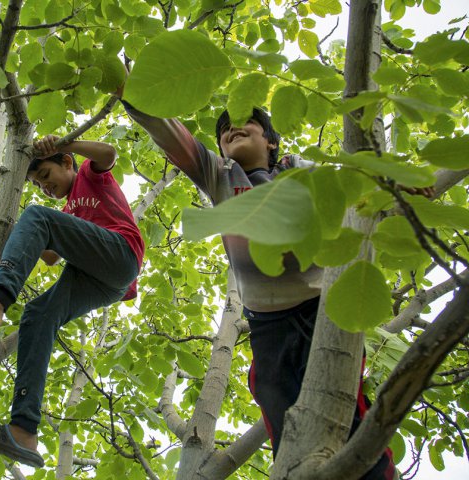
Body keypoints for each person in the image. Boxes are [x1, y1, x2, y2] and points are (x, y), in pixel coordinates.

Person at [119, 100, 397, 479]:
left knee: (344, 410)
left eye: (246, 123)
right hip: (268, 324)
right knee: (273, 396)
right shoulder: (221, 176)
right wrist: (133, 96)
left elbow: (352, 188)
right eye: (224, 130)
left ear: (271, 142)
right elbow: (172, 135)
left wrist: (397, 187)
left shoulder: (298, 170)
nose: (232, 128)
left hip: (322, 308)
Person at [0, 135, 144, 468]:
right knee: (38, 315)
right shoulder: (65, 211)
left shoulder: (89, 177)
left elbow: (109, 152)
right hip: (99, 282)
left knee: (38, 215)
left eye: (46, 177)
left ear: (66, 163)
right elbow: (48, 255)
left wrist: (68, 143)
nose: (45, 187)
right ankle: (24, 430)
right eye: (37, 184)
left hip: (120, 256)